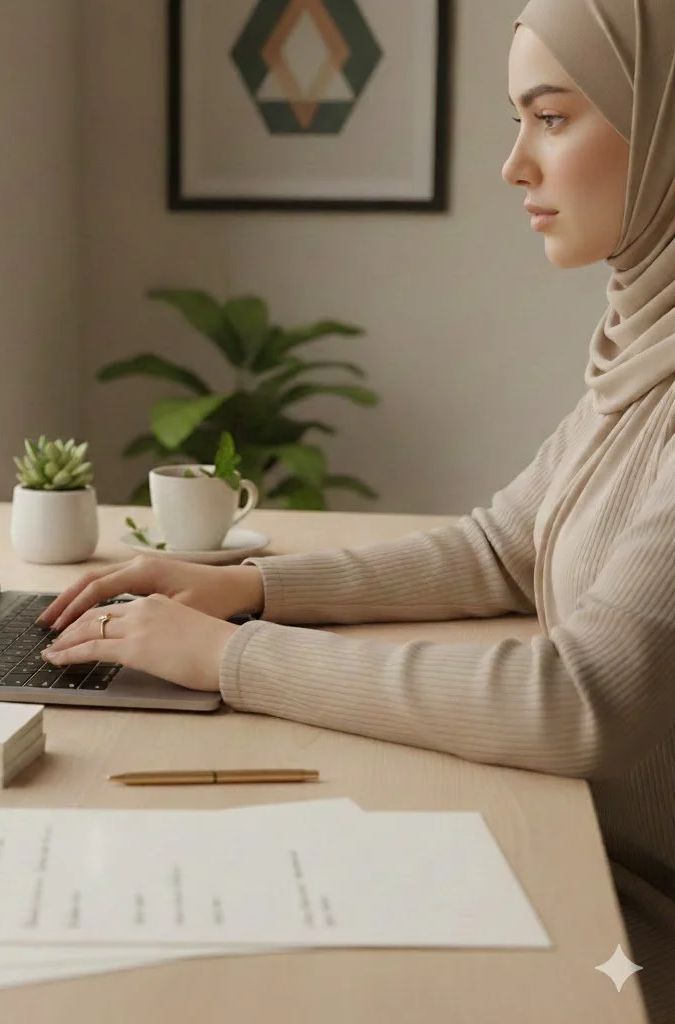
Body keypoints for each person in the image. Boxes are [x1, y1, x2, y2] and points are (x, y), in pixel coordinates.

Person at [37, 0, 675, 1017]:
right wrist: (243, 587)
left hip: (635, 917)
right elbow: (501, 547)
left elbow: (576, 702)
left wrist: (224, 658)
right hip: (583, 855)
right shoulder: (641, 341)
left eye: (551, 118)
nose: (515, 165)